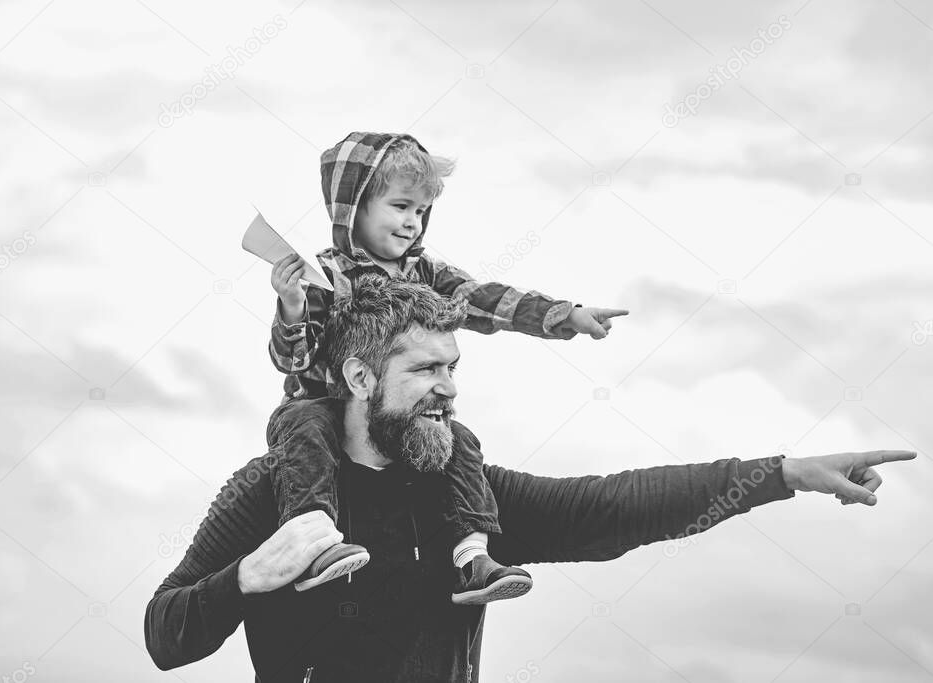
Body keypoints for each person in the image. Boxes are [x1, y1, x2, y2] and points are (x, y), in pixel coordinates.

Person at [145, 274, 915, 682]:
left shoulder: (456, 498)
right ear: (357, 375)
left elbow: (608, 508)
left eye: (453, 367)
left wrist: (781, 472)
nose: (447, 387)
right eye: (424, 369)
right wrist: (245, 577)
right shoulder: (271, 489)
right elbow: (164, 633)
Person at [265, 131, 629, 601]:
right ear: (354, 208)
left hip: (398, 414)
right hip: (325, 406)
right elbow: (289, 360)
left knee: (458, 440)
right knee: (304, 428)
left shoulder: (427, 274)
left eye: (420, 211)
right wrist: (292, 306)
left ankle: (472, 556)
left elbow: (487, 301)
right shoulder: (326, 278)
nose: (412, 223)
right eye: (400, 206)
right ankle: (313, 542)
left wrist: (565, 315)